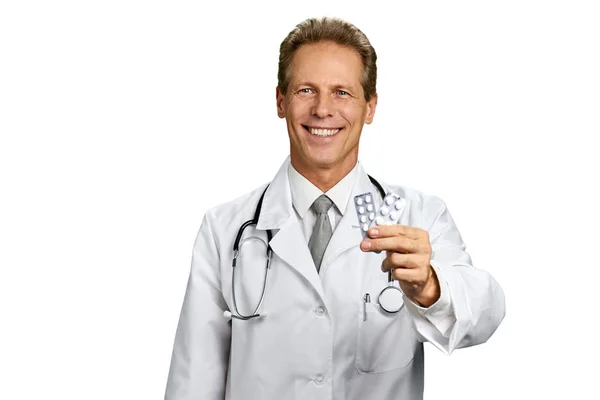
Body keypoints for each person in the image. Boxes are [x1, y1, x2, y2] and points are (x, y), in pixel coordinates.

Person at [164, 16, 505, 400]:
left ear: (370, 106)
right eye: (306, 90)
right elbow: (193, 380)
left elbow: (486, 313)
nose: (322, 109)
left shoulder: (416, 215)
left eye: (342, 92)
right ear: (280, 100)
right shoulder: (225, 228)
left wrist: (429, 286)